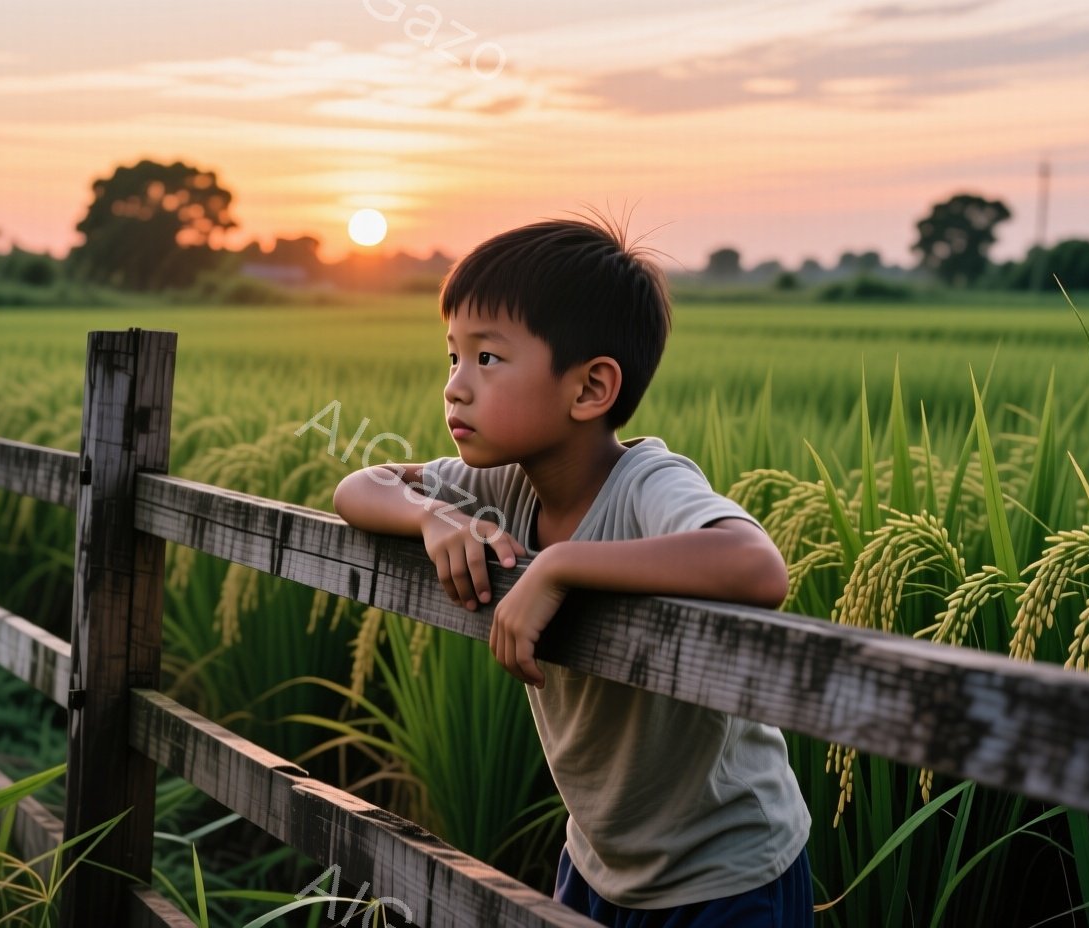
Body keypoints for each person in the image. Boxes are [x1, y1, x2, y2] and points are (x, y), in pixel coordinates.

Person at [332, 213, 814, 927]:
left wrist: (559, 565)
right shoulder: (501, 486)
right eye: (452, 357)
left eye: (487, 359)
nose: (456, 388)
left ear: (590, 389)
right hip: (596, 860)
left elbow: (754, 565)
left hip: (725, 875)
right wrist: (432, 517)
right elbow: (361, 486)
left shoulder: (648, 482)